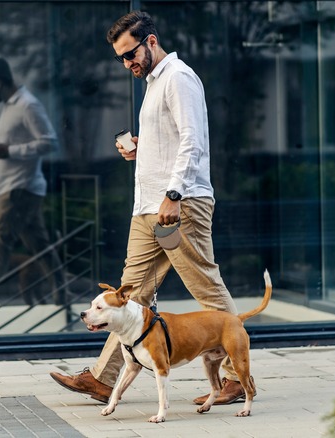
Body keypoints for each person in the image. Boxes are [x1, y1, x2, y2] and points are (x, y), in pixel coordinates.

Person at [50, 11, 254, 406]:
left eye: (131, 54)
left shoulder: (178, 78)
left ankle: (233, 377)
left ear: (152, 41)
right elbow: (173, 140)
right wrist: (143, 148)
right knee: (130, 293)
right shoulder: (153, 83)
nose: (128, 63)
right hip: (147, 206)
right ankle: (102, 378)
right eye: (121, 59)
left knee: (207, 289)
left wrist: (174, 195)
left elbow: (193, 140)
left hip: (181, 203)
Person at [0, 57, 65, 305]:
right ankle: (62, 296)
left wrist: (10, 151)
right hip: (15, 187)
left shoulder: (28, 105)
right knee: (40, 245)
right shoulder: (10, 106)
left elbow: (50, 142)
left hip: (20, 188)